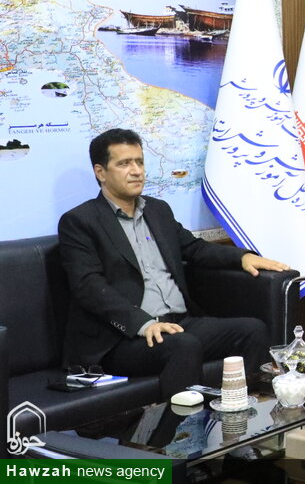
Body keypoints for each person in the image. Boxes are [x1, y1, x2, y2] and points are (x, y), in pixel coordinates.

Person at [58, 128, 291, 398]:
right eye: (124, 164)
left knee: (253, 331)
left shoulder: (158, 210)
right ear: (101, 172)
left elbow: (194, 248)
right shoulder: (80, 221)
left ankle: (240, 408)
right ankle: (182, 425)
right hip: (124, 337)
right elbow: (88, 286)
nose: (136, 171)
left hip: (179, 324)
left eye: (139, 161)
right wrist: (143, 323)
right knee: (183, 346)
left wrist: (242, 257)